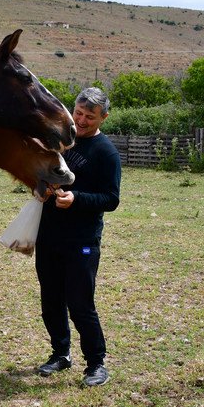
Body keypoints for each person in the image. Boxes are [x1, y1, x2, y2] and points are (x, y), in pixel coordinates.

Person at [34, 87, 121, 386]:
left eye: (90, 117)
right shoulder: (61, 142)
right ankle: (61, 354)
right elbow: (40, 175)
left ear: (104, 118)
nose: (81, 121)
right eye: (79, 113)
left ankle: (96, 364)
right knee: (51, 300)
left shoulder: (106, 152)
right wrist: (41, 189)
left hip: (82, 240)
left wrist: (77, 199)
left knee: (81, 304)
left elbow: (111, 199)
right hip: (48, 236)